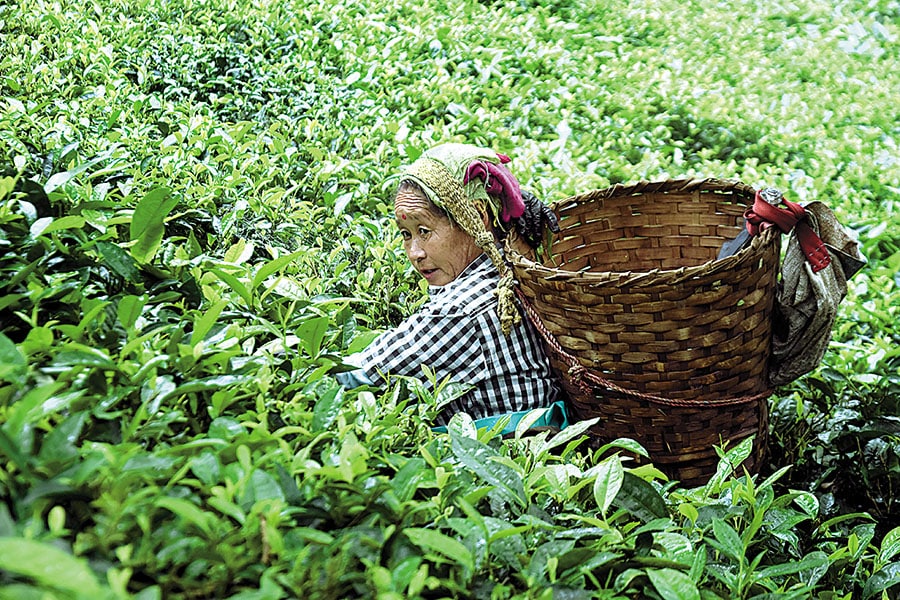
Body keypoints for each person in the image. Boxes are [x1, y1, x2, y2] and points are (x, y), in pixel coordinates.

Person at [335, 142, 566, 434]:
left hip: (503, 460)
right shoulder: (514, 259)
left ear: (477, 218)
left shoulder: (461, 311)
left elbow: (358, 375)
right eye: (406, 235)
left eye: (425, 231)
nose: (414, 253)